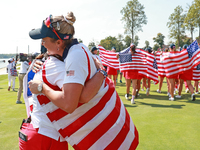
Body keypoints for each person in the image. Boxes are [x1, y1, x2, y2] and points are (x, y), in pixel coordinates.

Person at [23, 12, 139, 149]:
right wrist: (102, 71)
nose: (42, 43)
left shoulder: (73, 57)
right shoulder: (78, 48)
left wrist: (42, 87)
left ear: (59, 42)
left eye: (44, 40)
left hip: (49, 134)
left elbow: (71, 102)